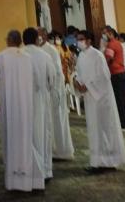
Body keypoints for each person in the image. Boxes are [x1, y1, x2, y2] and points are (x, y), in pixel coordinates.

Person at [0, 30, 36, 193]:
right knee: (24, 136)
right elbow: (33, 81)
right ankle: (25, 178)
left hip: (8, 105)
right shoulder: (28, 59)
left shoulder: (1, 57)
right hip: (26, 106)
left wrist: (0, 90)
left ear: (8, 40)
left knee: (9, 137)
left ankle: (12, 178)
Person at [75, 30, 125, 172]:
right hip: (89, 98)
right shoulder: (80, 56)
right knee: (94, 130)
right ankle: (97, 162)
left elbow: (104, 76)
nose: (78, 42)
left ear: (89, 41)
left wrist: (88, 86)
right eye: (77, 39)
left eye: (81, 39)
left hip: (101, 98)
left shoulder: (97, 55)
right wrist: (78, 83)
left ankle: (109, 161)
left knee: (105, 129)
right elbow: (79, 73)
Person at [22, 27, 54, 186]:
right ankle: (45, 170)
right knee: (42, 134)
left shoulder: (19, 56)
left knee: (28, 135)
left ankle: (28, 170)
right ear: (37, 39)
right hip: (41, 101)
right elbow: (52, 79)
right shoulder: (45, 56)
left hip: (23, 103)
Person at [38, 27, 74, 161]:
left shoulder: (51, 50)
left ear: (45, 36)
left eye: (39, 34)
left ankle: (61, 150)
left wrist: (51, 86)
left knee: (58, 120)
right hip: (44, 92)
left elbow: (57, 71)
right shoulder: (38, 50)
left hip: (54, 90)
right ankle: (51, 149)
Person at [101, 26, 125, 129]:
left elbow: (109, 59)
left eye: (105, 34)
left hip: (116, 74)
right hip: (122, 73)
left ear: (110, 33)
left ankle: (122, 123)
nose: (103, 36)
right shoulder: (118, 43)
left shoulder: (111, 44)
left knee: (119, 99)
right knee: (124, 99)